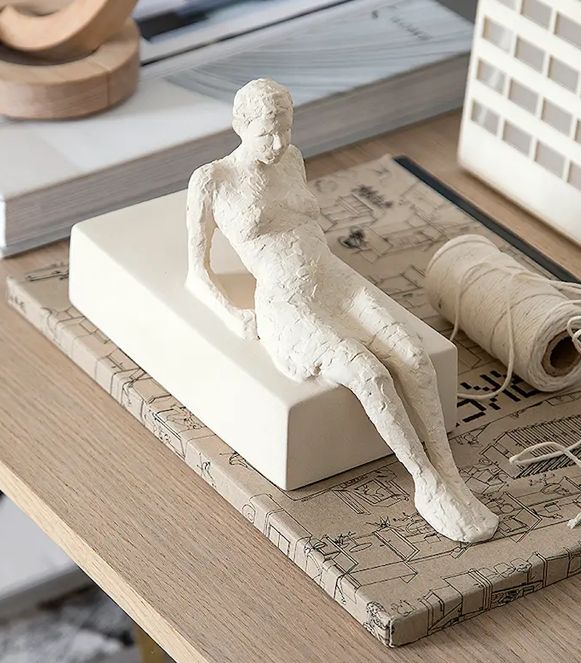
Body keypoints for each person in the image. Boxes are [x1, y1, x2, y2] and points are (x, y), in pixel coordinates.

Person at [186, 79, 498, 543]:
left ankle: (450, 473)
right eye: (267, 133)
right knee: (369, 374)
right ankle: (425, 481)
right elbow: (197, 271)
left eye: (286, 129)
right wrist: (233, 315)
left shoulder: (291, 159)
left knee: (413, 358)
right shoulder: (213, 180)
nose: (278, 143)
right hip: (286, 301)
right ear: (240, 125)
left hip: (336, 280)